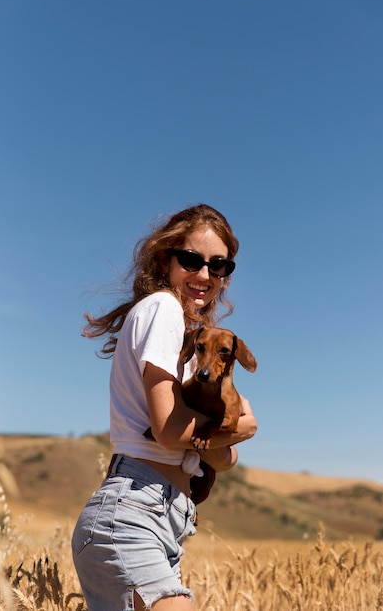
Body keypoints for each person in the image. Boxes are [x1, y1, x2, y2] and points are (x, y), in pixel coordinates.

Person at [71, 203, 257, 611]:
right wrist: (232, 433)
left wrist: (228, 439)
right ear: (165, 258)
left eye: (219, 265)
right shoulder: (164, 309)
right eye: (191, 260)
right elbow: (171, 431)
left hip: (160, 516)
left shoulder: (192, 348)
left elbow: (226, 457)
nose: (205, 275)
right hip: (135, 511)